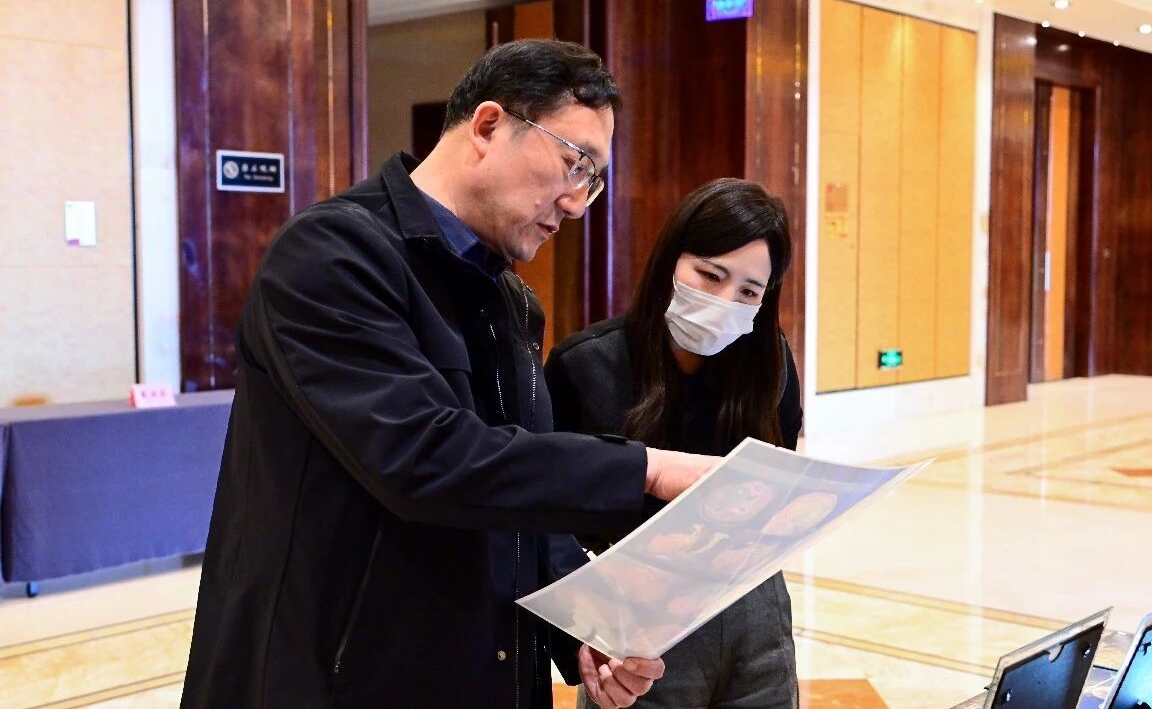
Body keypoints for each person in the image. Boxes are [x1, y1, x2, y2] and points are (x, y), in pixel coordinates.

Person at [180, 39, 717, 709]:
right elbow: (425, 457)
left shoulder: (512, 302)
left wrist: (582, 630)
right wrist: (646, 468)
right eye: (575, 163)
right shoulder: (333, 256)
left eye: (594, 180)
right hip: (335, 680)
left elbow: (520, 494)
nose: (578, 202)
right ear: (488, 126)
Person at [545, 178, 802, 709]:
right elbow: (548, 510)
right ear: (671, 261)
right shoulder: (587, 364)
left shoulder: (768, 364)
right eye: (710, 275)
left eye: (749, 292)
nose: (724, 301)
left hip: (751, 599)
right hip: (637, 615)